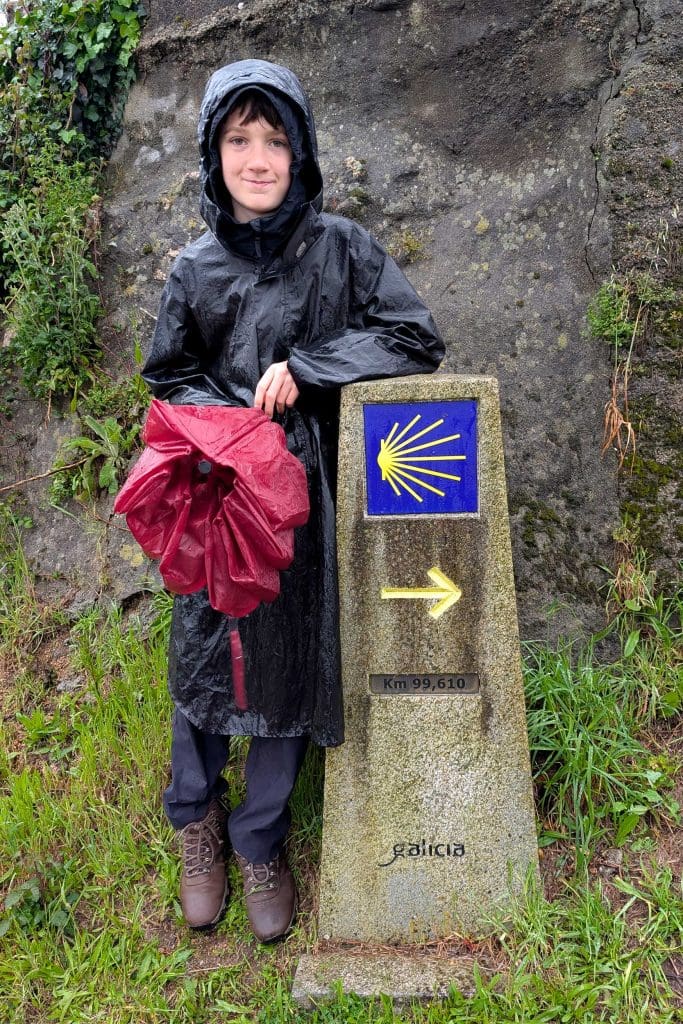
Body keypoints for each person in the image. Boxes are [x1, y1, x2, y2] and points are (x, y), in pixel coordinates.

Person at [141, 59, 444, 942]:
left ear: (300, 150)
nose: (258, 157)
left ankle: (259, 839)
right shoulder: (194, 269)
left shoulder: (340, 248)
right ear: (214, 152)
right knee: (205, 647)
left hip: (302, 493)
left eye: (274, 139)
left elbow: (410, 334)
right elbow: (168, 377)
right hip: (212, 492)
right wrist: (221, 427)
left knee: (289, 661)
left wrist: (306, 369)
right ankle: (194, 816)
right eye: (240, 139)